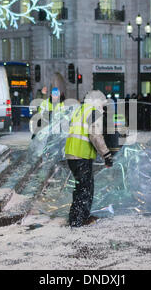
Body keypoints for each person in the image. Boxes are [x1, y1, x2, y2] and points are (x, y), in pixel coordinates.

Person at [65, 90, 114, 227]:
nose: (103, 109)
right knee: (85, 188)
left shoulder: (81, 109)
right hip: (81, 154)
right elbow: (95, 136)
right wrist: (106, 155)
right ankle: (78, 220)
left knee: (82, 187)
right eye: (102, 105)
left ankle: (78, 216)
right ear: (97, 101)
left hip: (72, 153)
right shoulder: (93, 112)